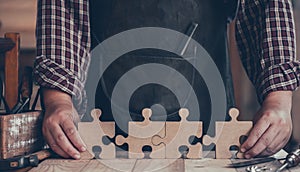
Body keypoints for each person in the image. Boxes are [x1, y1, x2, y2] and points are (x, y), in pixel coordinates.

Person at [35, 0, 300, 160]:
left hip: (208, 130)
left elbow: (265, 5)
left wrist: (278, 99)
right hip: (100, 132)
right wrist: (58, 100)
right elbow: (63, 7)